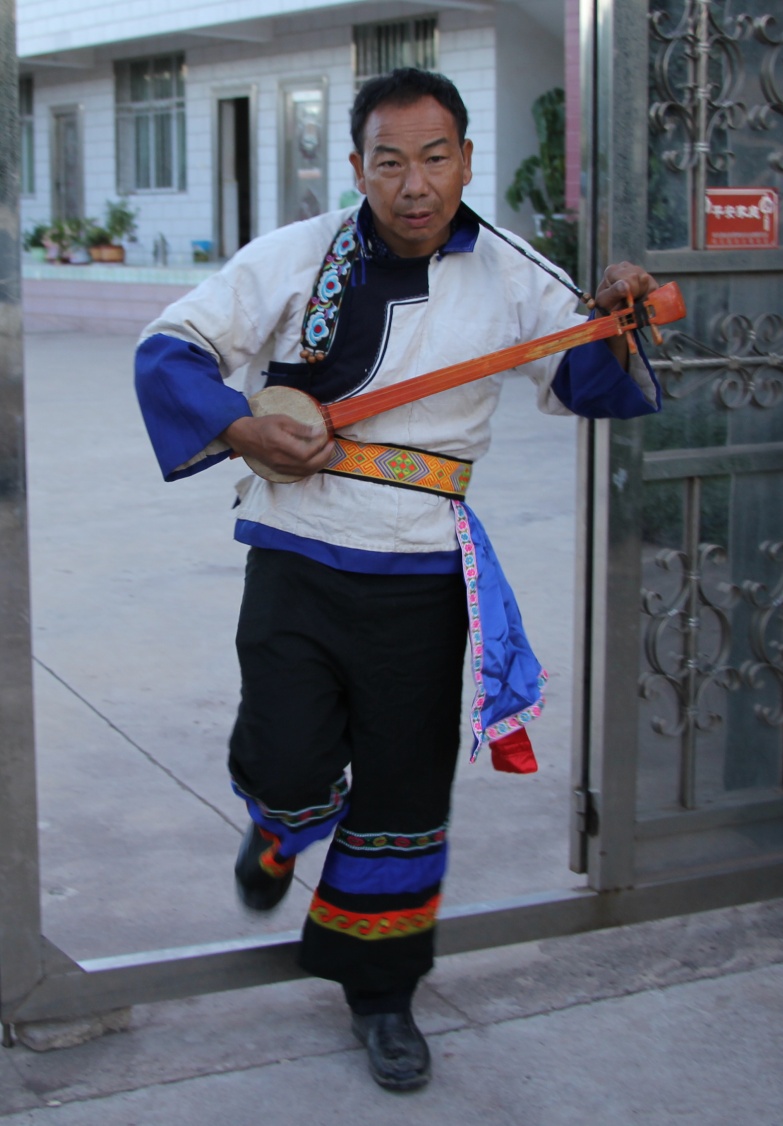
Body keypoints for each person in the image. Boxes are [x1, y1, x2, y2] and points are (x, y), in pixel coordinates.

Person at [135, 68, 661, 1092]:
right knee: (288, 753)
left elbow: (588, 381)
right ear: (357, 166)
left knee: (404, 789)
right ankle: (282, 820)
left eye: (434, 158)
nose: (414, 185)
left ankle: (381, 993)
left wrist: (619, 317)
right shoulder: (293, 255)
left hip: (423, 565)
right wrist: (241, 427)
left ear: (465, 161)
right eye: (390, 161)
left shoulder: (513, 271)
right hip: (295, 547)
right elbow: (170, 350)